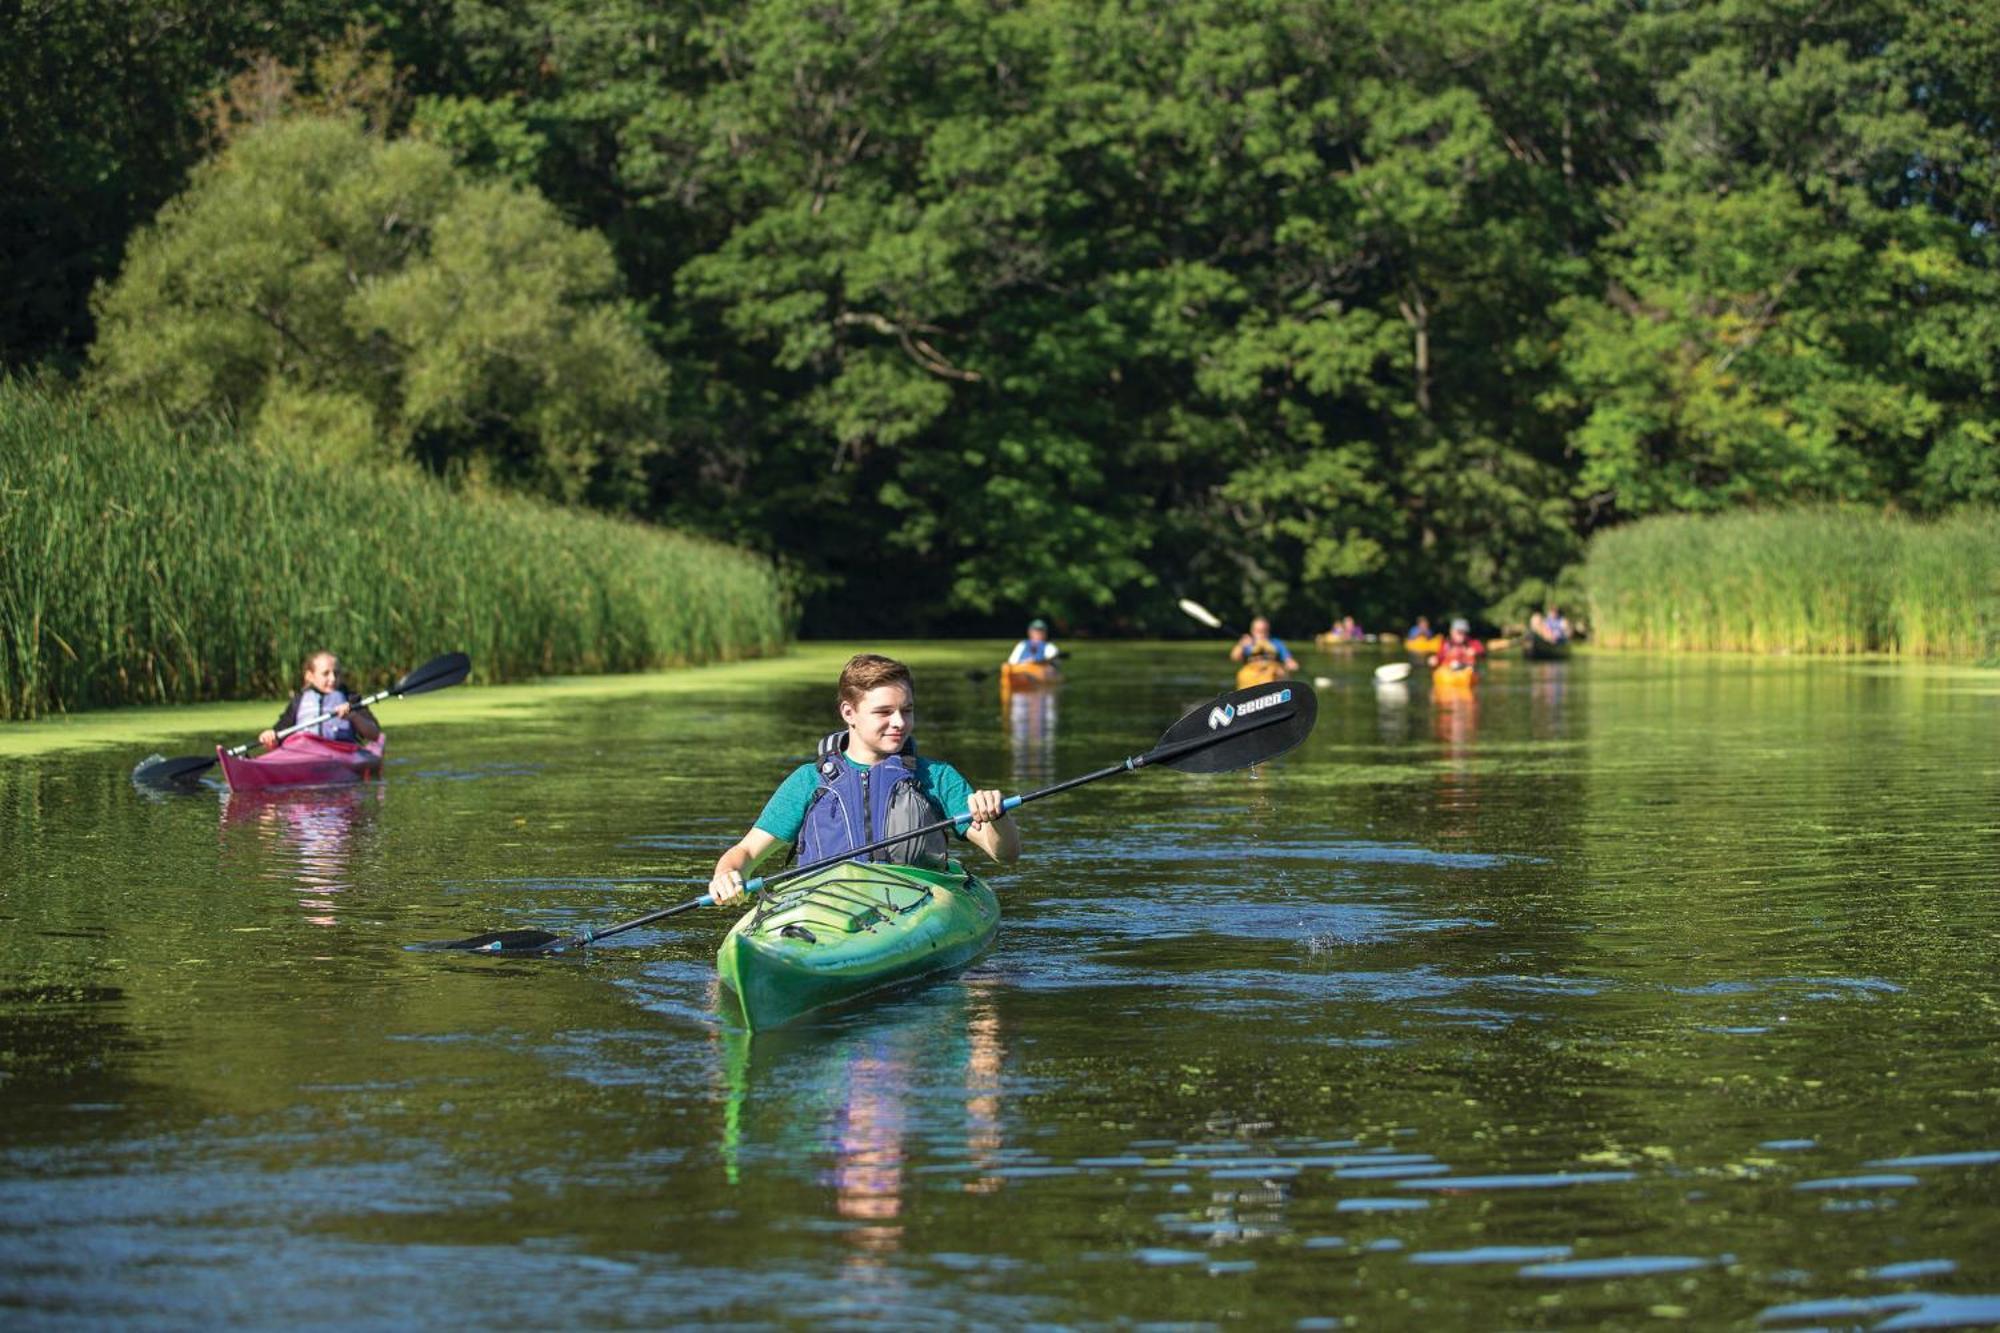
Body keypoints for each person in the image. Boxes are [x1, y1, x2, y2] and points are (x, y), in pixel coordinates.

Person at [708, 654, 1020, 905]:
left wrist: (998, 818)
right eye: (883, 712)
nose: (899, 722)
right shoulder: (808, 781)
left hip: (914, 905)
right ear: (849, 712)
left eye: (907, 710)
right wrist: (726, 874)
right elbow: (746, 853)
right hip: (824, 907)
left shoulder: (936, 777)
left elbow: (1005, 854)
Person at [259, 650, 380, 750]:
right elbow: (279, 733)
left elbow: (375, 735)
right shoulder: (299, 700)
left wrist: (353, 717)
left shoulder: (351, 698)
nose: (332, 679)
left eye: (336, 673)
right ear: (310, 676)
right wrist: (269, 737)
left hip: (342, 752)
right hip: (304, 752)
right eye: (325, 674)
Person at [1231, 616, 1299, 672]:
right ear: (1252, 631)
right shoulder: (1246, 644)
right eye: (1258, 631)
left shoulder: (1277, 643)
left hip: (1272, 677)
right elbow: (1234, 657)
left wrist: (1291, 664)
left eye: (1264, 631)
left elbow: (1288, 659)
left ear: (1268, 630)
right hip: (1253, 679)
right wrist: (1241, 645)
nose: (1261, 634)